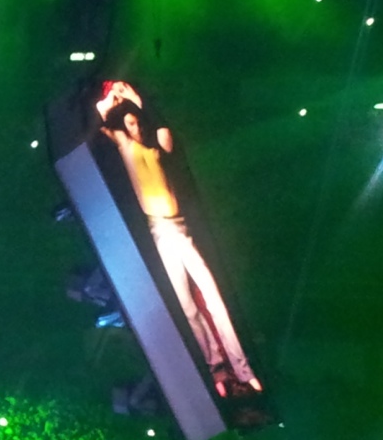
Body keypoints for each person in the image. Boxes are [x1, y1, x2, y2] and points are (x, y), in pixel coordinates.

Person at [96, 81, 262, 396]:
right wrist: (113, 99)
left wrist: (136, 99)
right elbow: (101, 120)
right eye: (129, 123)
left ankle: (244, 368)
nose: (134, 128)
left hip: (181, 228)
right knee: (187, 306)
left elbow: (161, 129)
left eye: (137, 122)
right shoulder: (124, 145)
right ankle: (217, 368)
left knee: (214, 298)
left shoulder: (158, 144)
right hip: (158, 231)